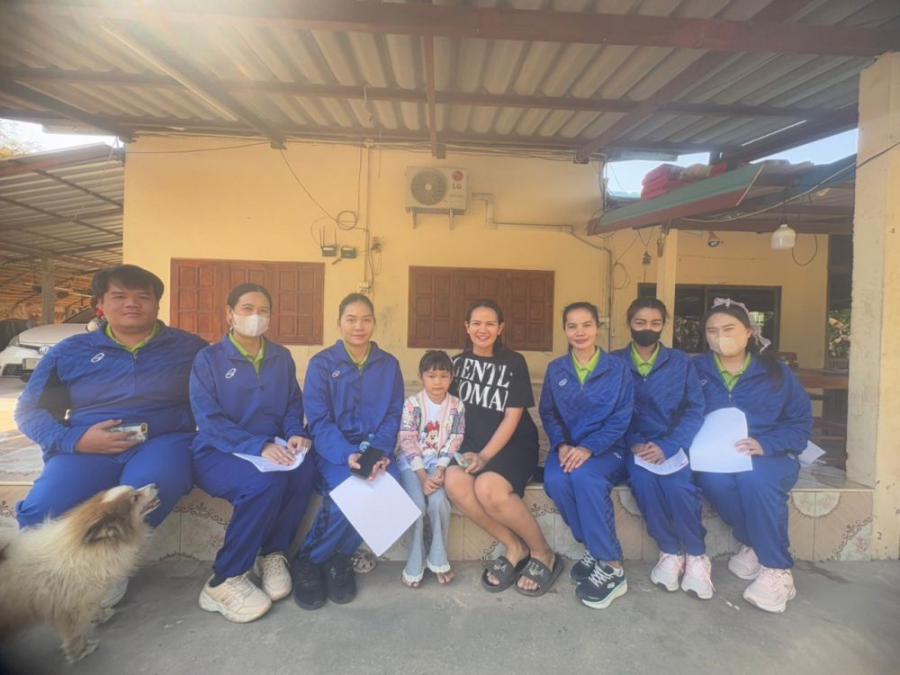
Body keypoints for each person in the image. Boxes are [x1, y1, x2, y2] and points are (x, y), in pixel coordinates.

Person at [15, 264, 207, 604]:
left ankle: (110, 569)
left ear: (157, 304)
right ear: (100, 304)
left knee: (150, 489)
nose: (131, 304)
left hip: (162, 441)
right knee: (41, 509)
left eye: (142, 297)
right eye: (119, 296)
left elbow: (221, 396)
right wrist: (74, 440)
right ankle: (53, 570)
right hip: (87, 446)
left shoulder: (189, 348)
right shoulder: (70, 352)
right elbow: (30, 411)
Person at [189, 283, 318, 623]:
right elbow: (209, 420)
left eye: (263, 310)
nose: (255, 316)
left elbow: (292, 404)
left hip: (271, 446)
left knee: (305, 471)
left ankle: (273, 553)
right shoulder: (209, 360)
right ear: (229, 314)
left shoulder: (280, 357)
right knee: (265, 484)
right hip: (217, 451)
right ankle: (223, 579)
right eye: (247, 309)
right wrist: (257, 446)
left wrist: (295, 433)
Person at [693, 298, 812, 614]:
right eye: (712, 331)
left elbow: (800, 423)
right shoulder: (696, 370)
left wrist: (767, 443)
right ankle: (756, 545)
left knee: (755, 480)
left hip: (771, 455)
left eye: (729, 329)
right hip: (718, 456)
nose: (721, 336)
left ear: (749, 332)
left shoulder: (775, 373)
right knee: (714, 482)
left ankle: (777, 569)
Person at [292, 293, 404, 610]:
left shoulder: (389, 365)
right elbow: (318, 420)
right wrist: (346, 454)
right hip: (334, 448)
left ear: (374, 323)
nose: (359, 326)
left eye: (366, 319)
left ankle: (339, 558)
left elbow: (394, 414)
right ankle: (309, 560)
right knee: (348, 490)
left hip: (376, 449)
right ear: (339, 322)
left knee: (390, 485)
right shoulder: (322, 364)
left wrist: (379, 452)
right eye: (351, 319)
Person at [445, 299, 562, 597]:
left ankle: (542, 552)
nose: (482, 329)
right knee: (454, 482)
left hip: (513, 444)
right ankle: (514, 547)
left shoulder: (513, 363)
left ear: (500, 329)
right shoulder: (456, 365)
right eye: (476, 323)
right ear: (466, 327)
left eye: (490, 324)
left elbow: (513, 417)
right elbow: (450, 412)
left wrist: (485, 456)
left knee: (488, 488)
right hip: (473, 444)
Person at [612, 298, 711, 599]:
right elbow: (609, 410)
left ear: (663, 325)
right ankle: (669, 551)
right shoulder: (614, 362)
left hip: (672, 444)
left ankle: (696, 554)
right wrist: (634, 442)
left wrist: (668, 445)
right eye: (640, 322)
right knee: (643, 483)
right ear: (629, 323)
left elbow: (695, 408)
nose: (648, 328)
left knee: (680, 487)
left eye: (655, 323)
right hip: (634, 445)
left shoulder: (680, 362)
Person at [539, 301, 633, 609]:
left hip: (608, 449)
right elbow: (549, 412)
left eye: (586, 325)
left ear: (597, 328)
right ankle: (593, 546)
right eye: (572, 326)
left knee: (586, 479)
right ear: (564, 330)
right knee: (556, 480)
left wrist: (589, 448)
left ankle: (612, 566)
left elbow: (621, 417)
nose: (580, 332)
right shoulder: (557, 369)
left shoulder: (617, 368)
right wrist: (562, 444)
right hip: (567, 448)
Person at [396, 350, 465, 588]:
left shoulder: (456, 406)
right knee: (416, 506)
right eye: (431, 376)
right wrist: (423, 475)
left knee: (438, 503)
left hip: (438, 464)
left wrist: (441, 469)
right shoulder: (412, 404)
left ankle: (438, 559)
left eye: (444, 376)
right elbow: (407, 440)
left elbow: (455, 439)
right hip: (412, 465)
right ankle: (415, 562)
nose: (437, 382)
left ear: (452, 377)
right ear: (421, 377)